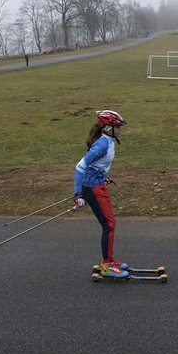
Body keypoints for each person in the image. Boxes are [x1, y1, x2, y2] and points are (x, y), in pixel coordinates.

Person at [74, 109, 128, 278]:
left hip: (98, 185)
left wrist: (105, 177)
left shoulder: (110, 141)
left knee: (109, 223)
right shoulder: (102, 145)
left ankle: (109, 260)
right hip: (92, 189)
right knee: (109, 224)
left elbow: (97, 166)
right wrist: (78, 195)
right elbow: (80, 167)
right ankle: (106, 265)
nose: (120, 129)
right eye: (117, 127)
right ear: (107, 129)